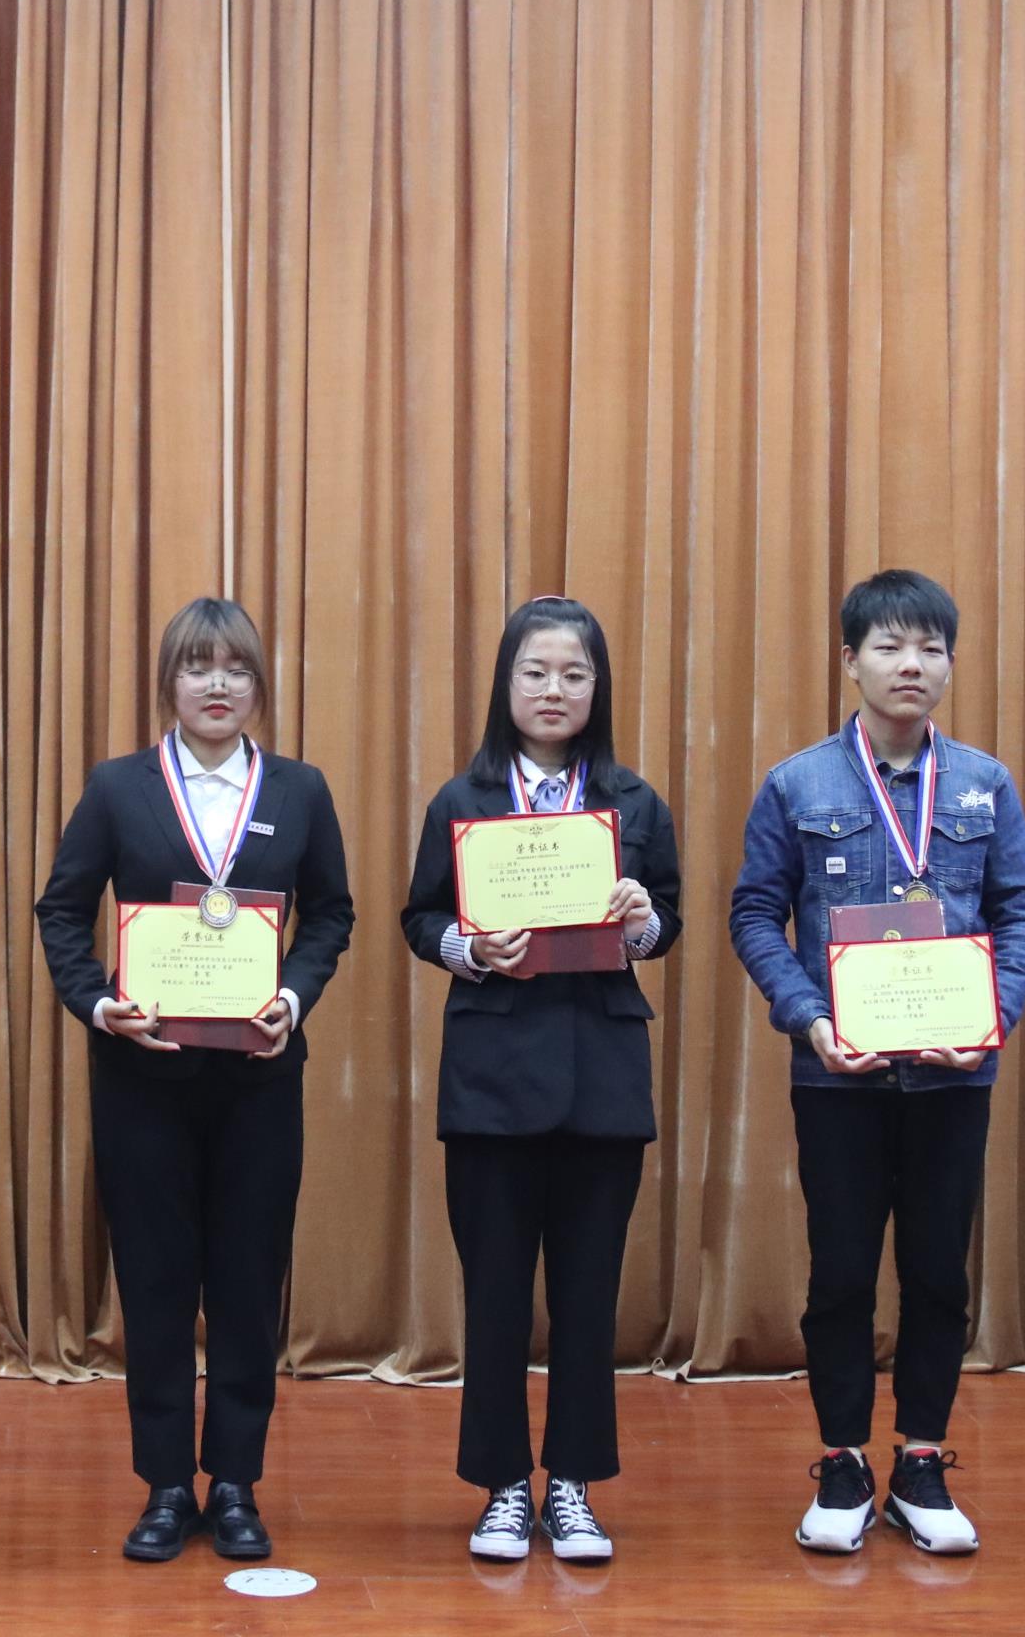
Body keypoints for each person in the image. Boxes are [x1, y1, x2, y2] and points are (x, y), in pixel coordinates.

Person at [728, 569, 1025, 1558]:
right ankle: (841, 1462)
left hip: (955, 1072)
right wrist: (808, 1016)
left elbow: (1022, 911)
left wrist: (991, 1017)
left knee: (939, 1272)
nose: (913, 664)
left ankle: (920, 1462)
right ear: (850, 660)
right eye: (890, 646)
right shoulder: (797, 784)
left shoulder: (986, 784)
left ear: (949, 662)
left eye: (931, 648)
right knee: (841, 1273)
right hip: (841, 1075)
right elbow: (755, 913)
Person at [34, 596, 355, 1565]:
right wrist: (99, 1004)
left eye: (236, 668)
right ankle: (168, 1484)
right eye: (198, 665)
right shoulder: (116, 787)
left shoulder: (300, 790)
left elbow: (331, 915)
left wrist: (292, 997)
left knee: (249, 1282)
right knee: (157, 1281)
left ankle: (238, 1482)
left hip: (259, 1076)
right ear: (168, 681)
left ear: (259, 684)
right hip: (144, 1077)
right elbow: (60, 911)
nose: (218, 684)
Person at [399, 595, 682, 1564]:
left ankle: (573, 1486)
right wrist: (468, 947)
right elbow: (419, 916)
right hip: (492, 1081)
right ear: (505, 684)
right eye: (535, 672)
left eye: (573, 673)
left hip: (602, 1077)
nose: (553, 689)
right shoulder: (463, 799)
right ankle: (501, 1489)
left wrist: (642, 920)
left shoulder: (635, 802)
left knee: (589, 1298)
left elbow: (668, 919)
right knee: (495, 1299)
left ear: (598, 688)